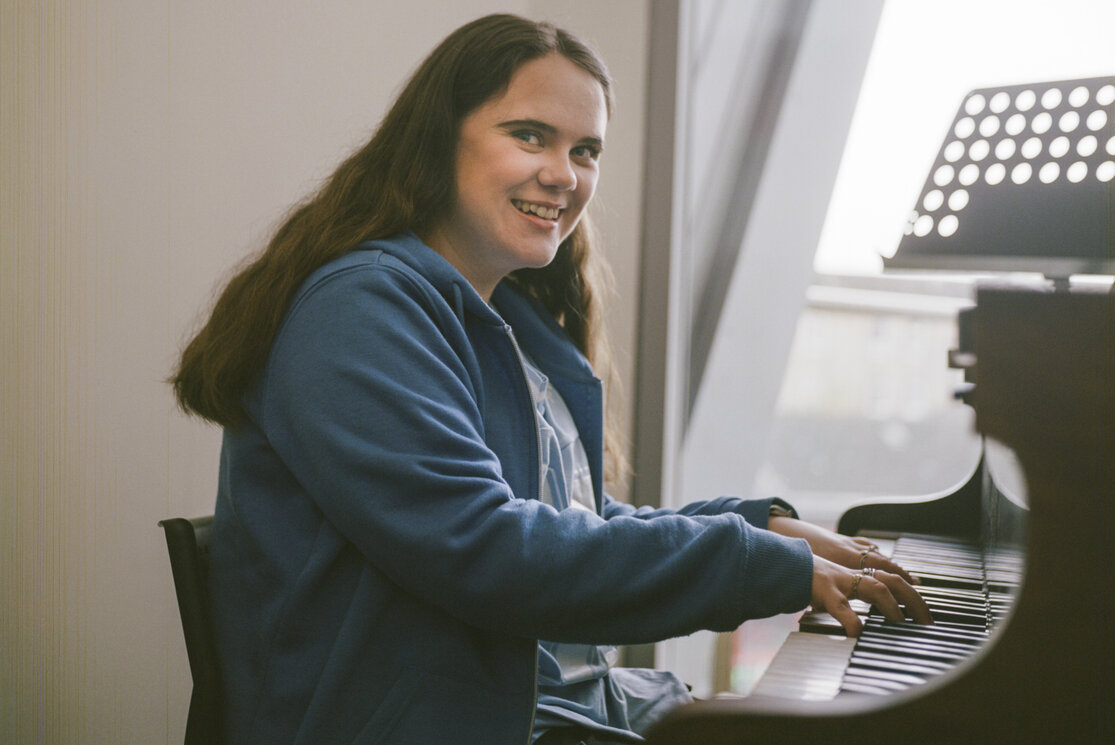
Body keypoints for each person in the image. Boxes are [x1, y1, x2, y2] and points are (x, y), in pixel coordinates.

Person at [171, 13, 931, 745]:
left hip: (549, 713)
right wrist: (751, 565)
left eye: (586, 150)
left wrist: (753, 525)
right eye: (530, 135)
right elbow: (489, 549)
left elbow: (571, 518)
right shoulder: (355, 312)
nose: (563, 174)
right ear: (438, 139)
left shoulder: (511, 322)